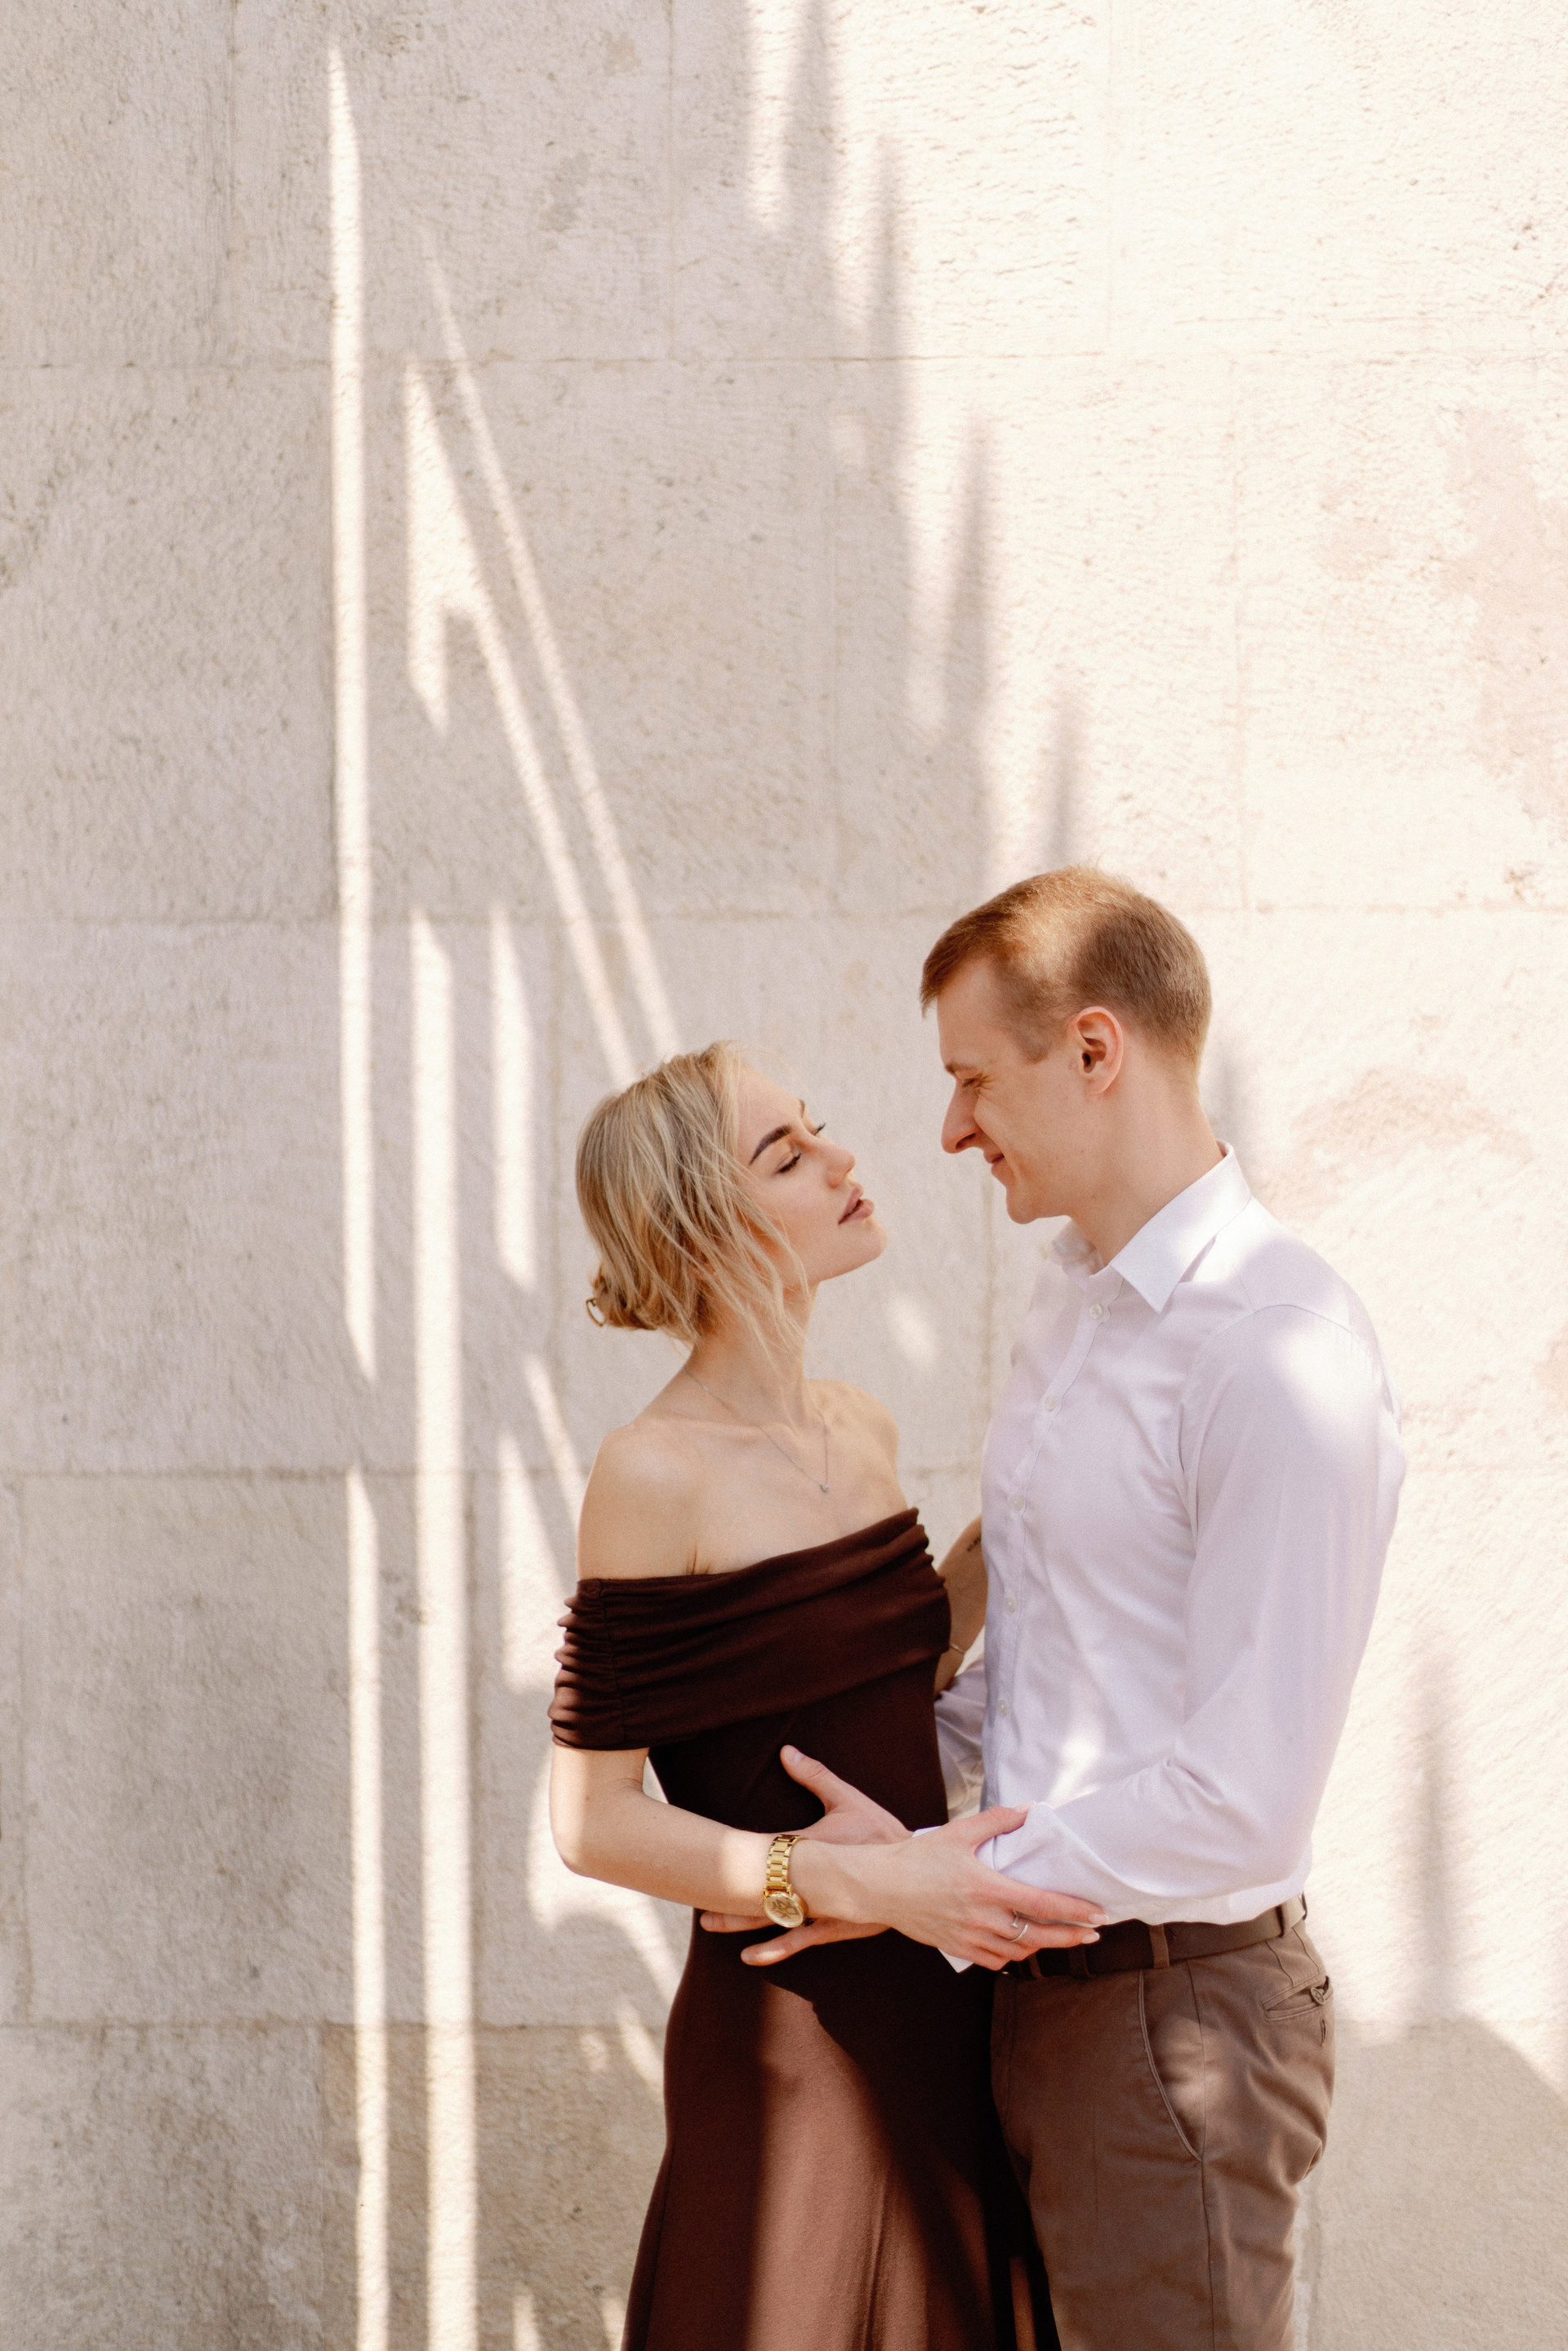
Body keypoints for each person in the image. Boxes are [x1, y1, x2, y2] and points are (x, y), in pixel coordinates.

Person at [736, 870, 1405, 2351]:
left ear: (1096, 1050)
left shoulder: (1277, 1350)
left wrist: (932, 1877)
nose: (951, 1128)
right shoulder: (1072, 1303)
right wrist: (864, 1810)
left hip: (1168, 2029)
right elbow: (1051, 1668)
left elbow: (1244, 1804)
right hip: (1034, 1996)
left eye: (975, 1078)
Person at [547, 1041, 1102, 2351]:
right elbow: (593, 1819)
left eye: (817, 1129)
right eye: (787, 1156)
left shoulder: (861, 1427)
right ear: (704, 1224)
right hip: (790, 2038)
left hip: (944, 2002)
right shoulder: (650, 1474)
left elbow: (889, 1680)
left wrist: (1036, 1496)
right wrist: (844, 1880)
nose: (843, 1160)